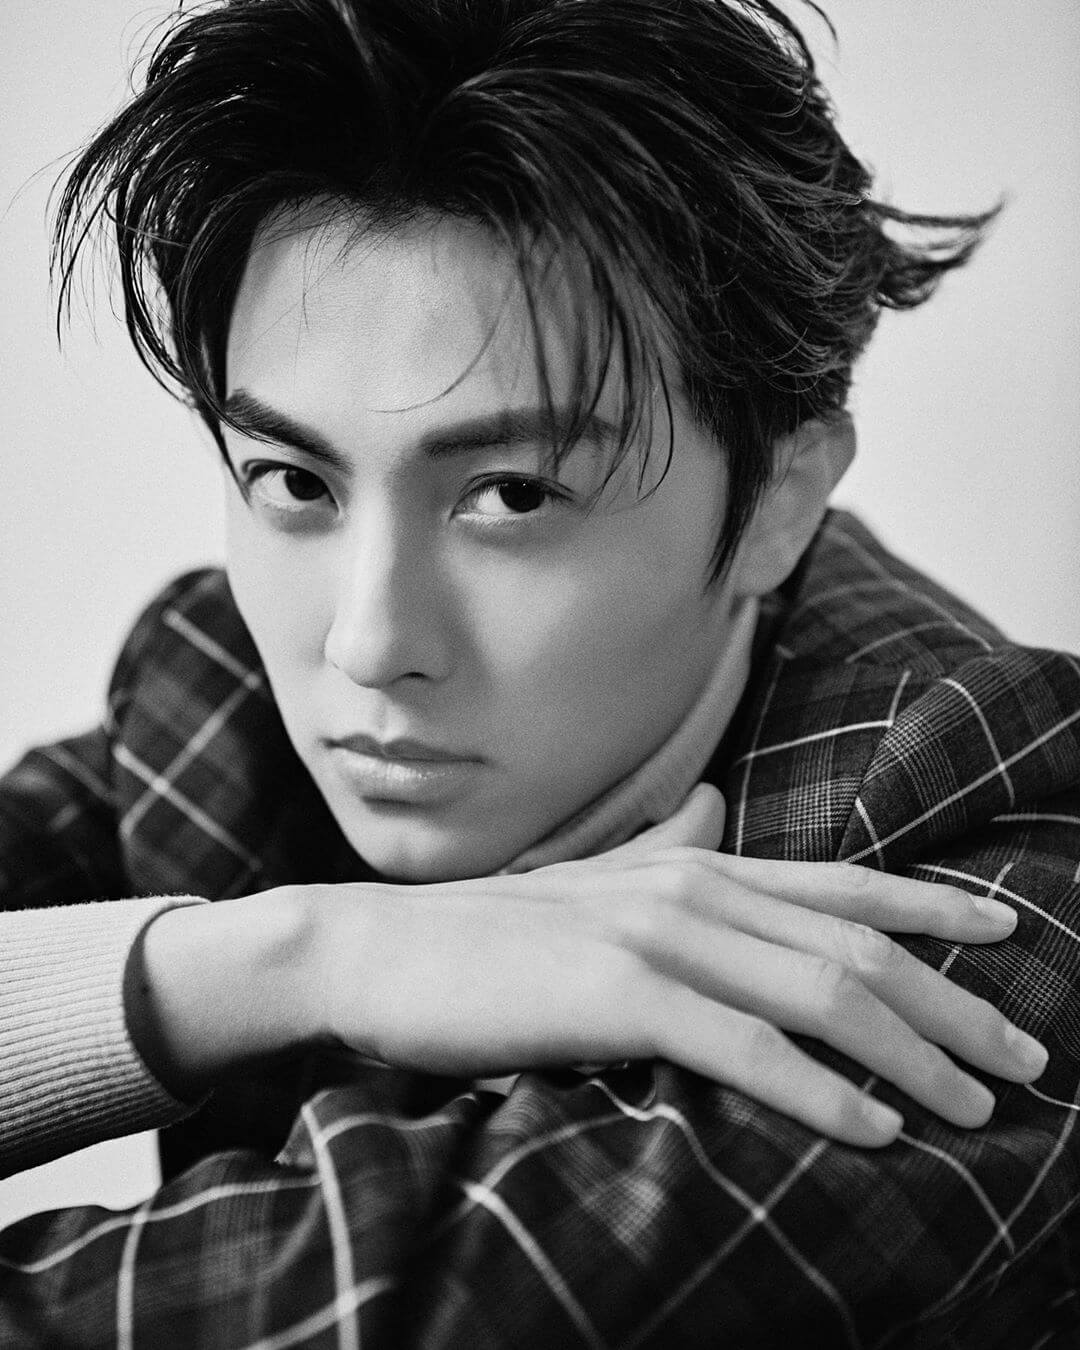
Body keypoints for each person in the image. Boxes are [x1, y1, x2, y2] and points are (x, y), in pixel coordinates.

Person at [1, 0, 1079, 1345]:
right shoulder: (210, 680)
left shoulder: (984, 820)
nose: (366, 642)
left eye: (511, 493)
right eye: (294, 480)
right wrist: (291, 959)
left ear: (780, 498)